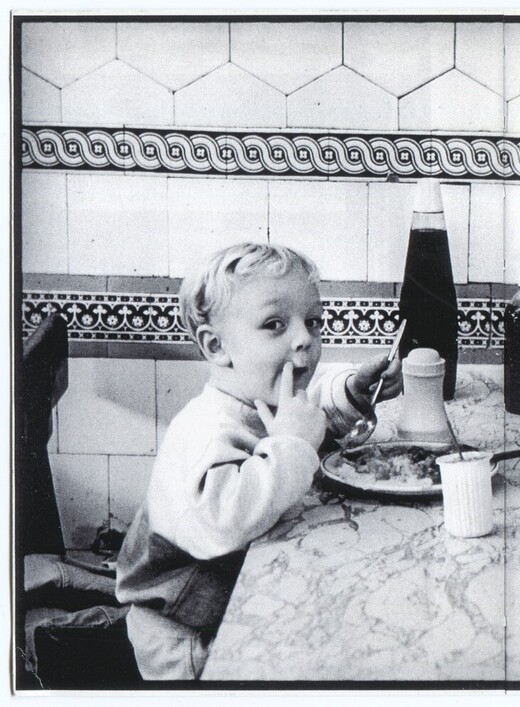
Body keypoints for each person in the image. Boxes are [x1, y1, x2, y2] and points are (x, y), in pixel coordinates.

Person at [115, 243, 401, 680]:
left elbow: (307, 415)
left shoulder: (257, 399)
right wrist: (292, 446)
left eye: (313, 321)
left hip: (231, 604)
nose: (305, 337)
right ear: (216, 346)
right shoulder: (203, 430)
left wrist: (350, 393)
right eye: (274, 324)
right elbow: (222, 521)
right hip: (186, 640)